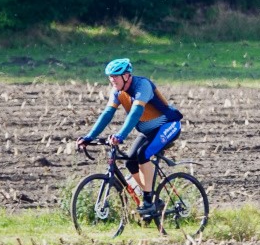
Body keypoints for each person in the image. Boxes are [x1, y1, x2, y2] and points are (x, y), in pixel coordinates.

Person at [76, 58, 184, 217]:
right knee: (129, 160)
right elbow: (107, 114)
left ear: (127, 76)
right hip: (148, 132)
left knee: (143, 154)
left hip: (168, 126)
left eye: (116, 76)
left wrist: (120, 136)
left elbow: (135, 113)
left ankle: (147, 200)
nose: (112, 80)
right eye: (110, 76)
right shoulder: (117, 91)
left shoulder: (143, 86)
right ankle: (153, 197)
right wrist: (89, 137)